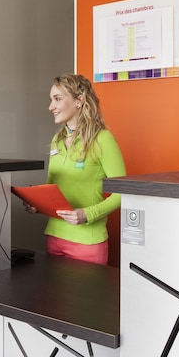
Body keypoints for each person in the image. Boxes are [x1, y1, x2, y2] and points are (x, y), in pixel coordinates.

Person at [37, 73, 125, 265]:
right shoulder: (57, 140)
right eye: (51, 100)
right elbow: (51, 189)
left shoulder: (103, 139)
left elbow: (122, 193)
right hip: (54, 237)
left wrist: (87, 214)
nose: (51, 106)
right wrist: (37, 203)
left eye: (57, 99)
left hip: (87, 242)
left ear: (79, 100)